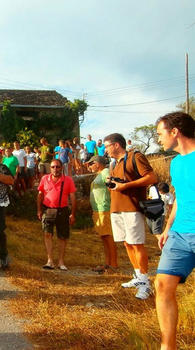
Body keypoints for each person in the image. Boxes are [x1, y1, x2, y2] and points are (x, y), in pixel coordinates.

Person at [154, 112, 195, 350]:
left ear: (175, 132)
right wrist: (167, 228)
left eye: (160, 133)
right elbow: (179, 198)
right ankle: (168, 347)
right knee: (162, 285)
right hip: (179, 234)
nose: (159, 139)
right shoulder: (176, 163)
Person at [103, 133, 157, 300]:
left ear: (116, 145)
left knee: (137, 244)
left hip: (132, 208)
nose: (105, 150)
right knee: (127, 243)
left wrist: (126, 185)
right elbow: (119, 185)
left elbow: (151, 177)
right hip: (117, 207)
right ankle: (138, 276)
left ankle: (145, 283)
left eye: (107, 146)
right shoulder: (114, 164)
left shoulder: (135, 156)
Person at [36, 159, 76, 270]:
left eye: (57, 167)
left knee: (62, 236)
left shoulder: (68, 180)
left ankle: (61, 262)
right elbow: (40, 195)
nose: (55, 169)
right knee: (47, 234)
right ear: (50, 168)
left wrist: (72, 214)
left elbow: (72, 198)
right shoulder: (44, 179)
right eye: (53, 167)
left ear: (61, 168)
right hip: (48, 210)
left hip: (62, 211)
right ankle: (49, 260)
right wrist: (39, 210)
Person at [87, 155, 118, 273]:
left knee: (108, 237)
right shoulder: (99, 175)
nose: (89, 166)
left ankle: (113, 265)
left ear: (98, 163)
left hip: (105, 209)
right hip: (98, 210)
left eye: (91, 163)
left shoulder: (105, 172)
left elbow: (110, 183)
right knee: (104, 237)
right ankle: (107, 263)